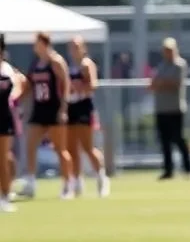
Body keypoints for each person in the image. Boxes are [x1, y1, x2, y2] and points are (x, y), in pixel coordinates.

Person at [20, 33, 72, 200]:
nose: (34, 46)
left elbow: (65, 85)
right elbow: (28, 85)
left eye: (36, 43)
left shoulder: (55, 61)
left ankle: (67, 184)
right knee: (30, 146)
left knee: (60, 148)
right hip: (39, 109)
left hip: (54, 109)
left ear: (44, 43)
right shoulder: (36, 63)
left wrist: (63, 109)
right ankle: (31, 183)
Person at [66, 37, 110, 197]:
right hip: (71, 107)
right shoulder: (69, 67)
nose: (74, 50)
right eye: (71, 47)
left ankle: (101, 177)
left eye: (76, 47)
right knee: (72, 148)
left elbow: (93, 85)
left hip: (84, 107)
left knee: (88, 147)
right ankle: (77, 182)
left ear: (83, 48)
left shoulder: (86, 64)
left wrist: (80, 87)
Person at [149, 38, 190, 180]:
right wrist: (161, 83)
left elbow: (175, 83)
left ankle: (187, 168)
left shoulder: (180, 65)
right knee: (164, 141)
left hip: (175, 108)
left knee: (178, 139)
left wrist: (161, 83)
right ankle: (168, 170)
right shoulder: (161, 66)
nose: (167, 53)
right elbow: (153, 84)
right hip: (161, 108)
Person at [0, 35, 25, 211]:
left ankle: (5, 196)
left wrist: (14, 96)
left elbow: (20, 84)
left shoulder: (7, 70)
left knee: (3, 157)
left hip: (4, 117)